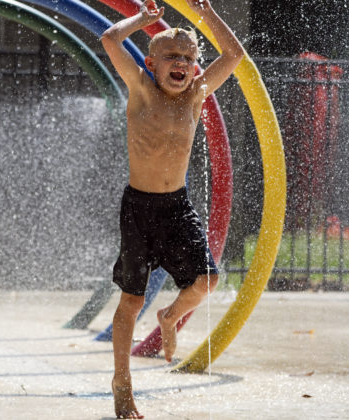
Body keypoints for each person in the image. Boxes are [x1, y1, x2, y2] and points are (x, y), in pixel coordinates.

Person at [100, 0, 244, 418]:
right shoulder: (141, 88)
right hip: (139, 208)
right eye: (172, 57)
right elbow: (109, 38)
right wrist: (143, 20)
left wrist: (208, 14)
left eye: (188, 58)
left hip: (177, 206)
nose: (181, 64)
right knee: (130, 299)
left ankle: (168, 318)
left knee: (206, 282)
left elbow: (234, 56)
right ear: (152, 63)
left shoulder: (197, 94)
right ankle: (122, 383)